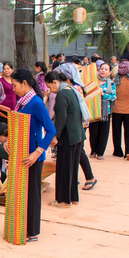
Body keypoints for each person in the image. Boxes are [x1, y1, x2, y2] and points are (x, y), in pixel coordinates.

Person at [11, 69, 56, 240]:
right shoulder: (22, 102)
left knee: (32, 195)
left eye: (15, 85)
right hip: (21, 155)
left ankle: (33, 231)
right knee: (23, 193)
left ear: (24, 83)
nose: (13, 89)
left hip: (32, 157)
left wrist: (37, 153)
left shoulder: (36, 103)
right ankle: (22, 226)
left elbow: (51, 131)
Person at [46, 70, 84, 207]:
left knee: (64, 168)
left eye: (50, 87)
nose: (50, 90)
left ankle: (63, 200)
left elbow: (61, 118)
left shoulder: (62, 94)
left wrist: (54, 136)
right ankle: (73, 197)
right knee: (72, 168)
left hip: (68, 136)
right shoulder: (71, 90)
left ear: (55, 82)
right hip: (77, 134)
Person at [58, 63, 97, 191]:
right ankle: (74, 179)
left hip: (77, 124)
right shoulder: (74, 87)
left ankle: (90, 177)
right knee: (77, 152)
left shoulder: (74, 88)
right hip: (79, 122)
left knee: (78, 151)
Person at [88, 61, 116, 160]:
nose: (103, 71)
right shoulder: (93, 82)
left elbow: (113, 97)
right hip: (94, 110)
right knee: (93, 132)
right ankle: (93, 150)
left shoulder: (111, 83)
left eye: (106, 69)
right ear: (98, 70)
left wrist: (103, 95)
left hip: (105, 112)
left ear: (109, 72)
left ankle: (100, 152)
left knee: (103, 133)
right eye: (102, 69)